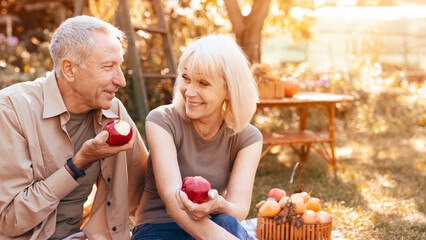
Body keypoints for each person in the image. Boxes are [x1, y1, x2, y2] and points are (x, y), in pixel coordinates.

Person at [0, 16, 148, 240]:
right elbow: (8, 221)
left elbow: (144, 193)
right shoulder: (11, 110)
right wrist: (78, 164)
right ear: (69, 69)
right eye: (108, 67)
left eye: (120, 67)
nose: (121, 80)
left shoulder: (113, 112)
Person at [131, 34, 263, 240]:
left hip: (214, 221)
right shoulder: (161, 120)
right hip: (158, 226)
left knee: (228, 222)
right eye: (185, 78)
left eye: (203, 83)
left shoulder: (248, 137)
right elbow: (175, 203)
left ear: (229, 89)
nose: (189, 92)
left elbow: (238, 209)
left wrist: (220, 204)